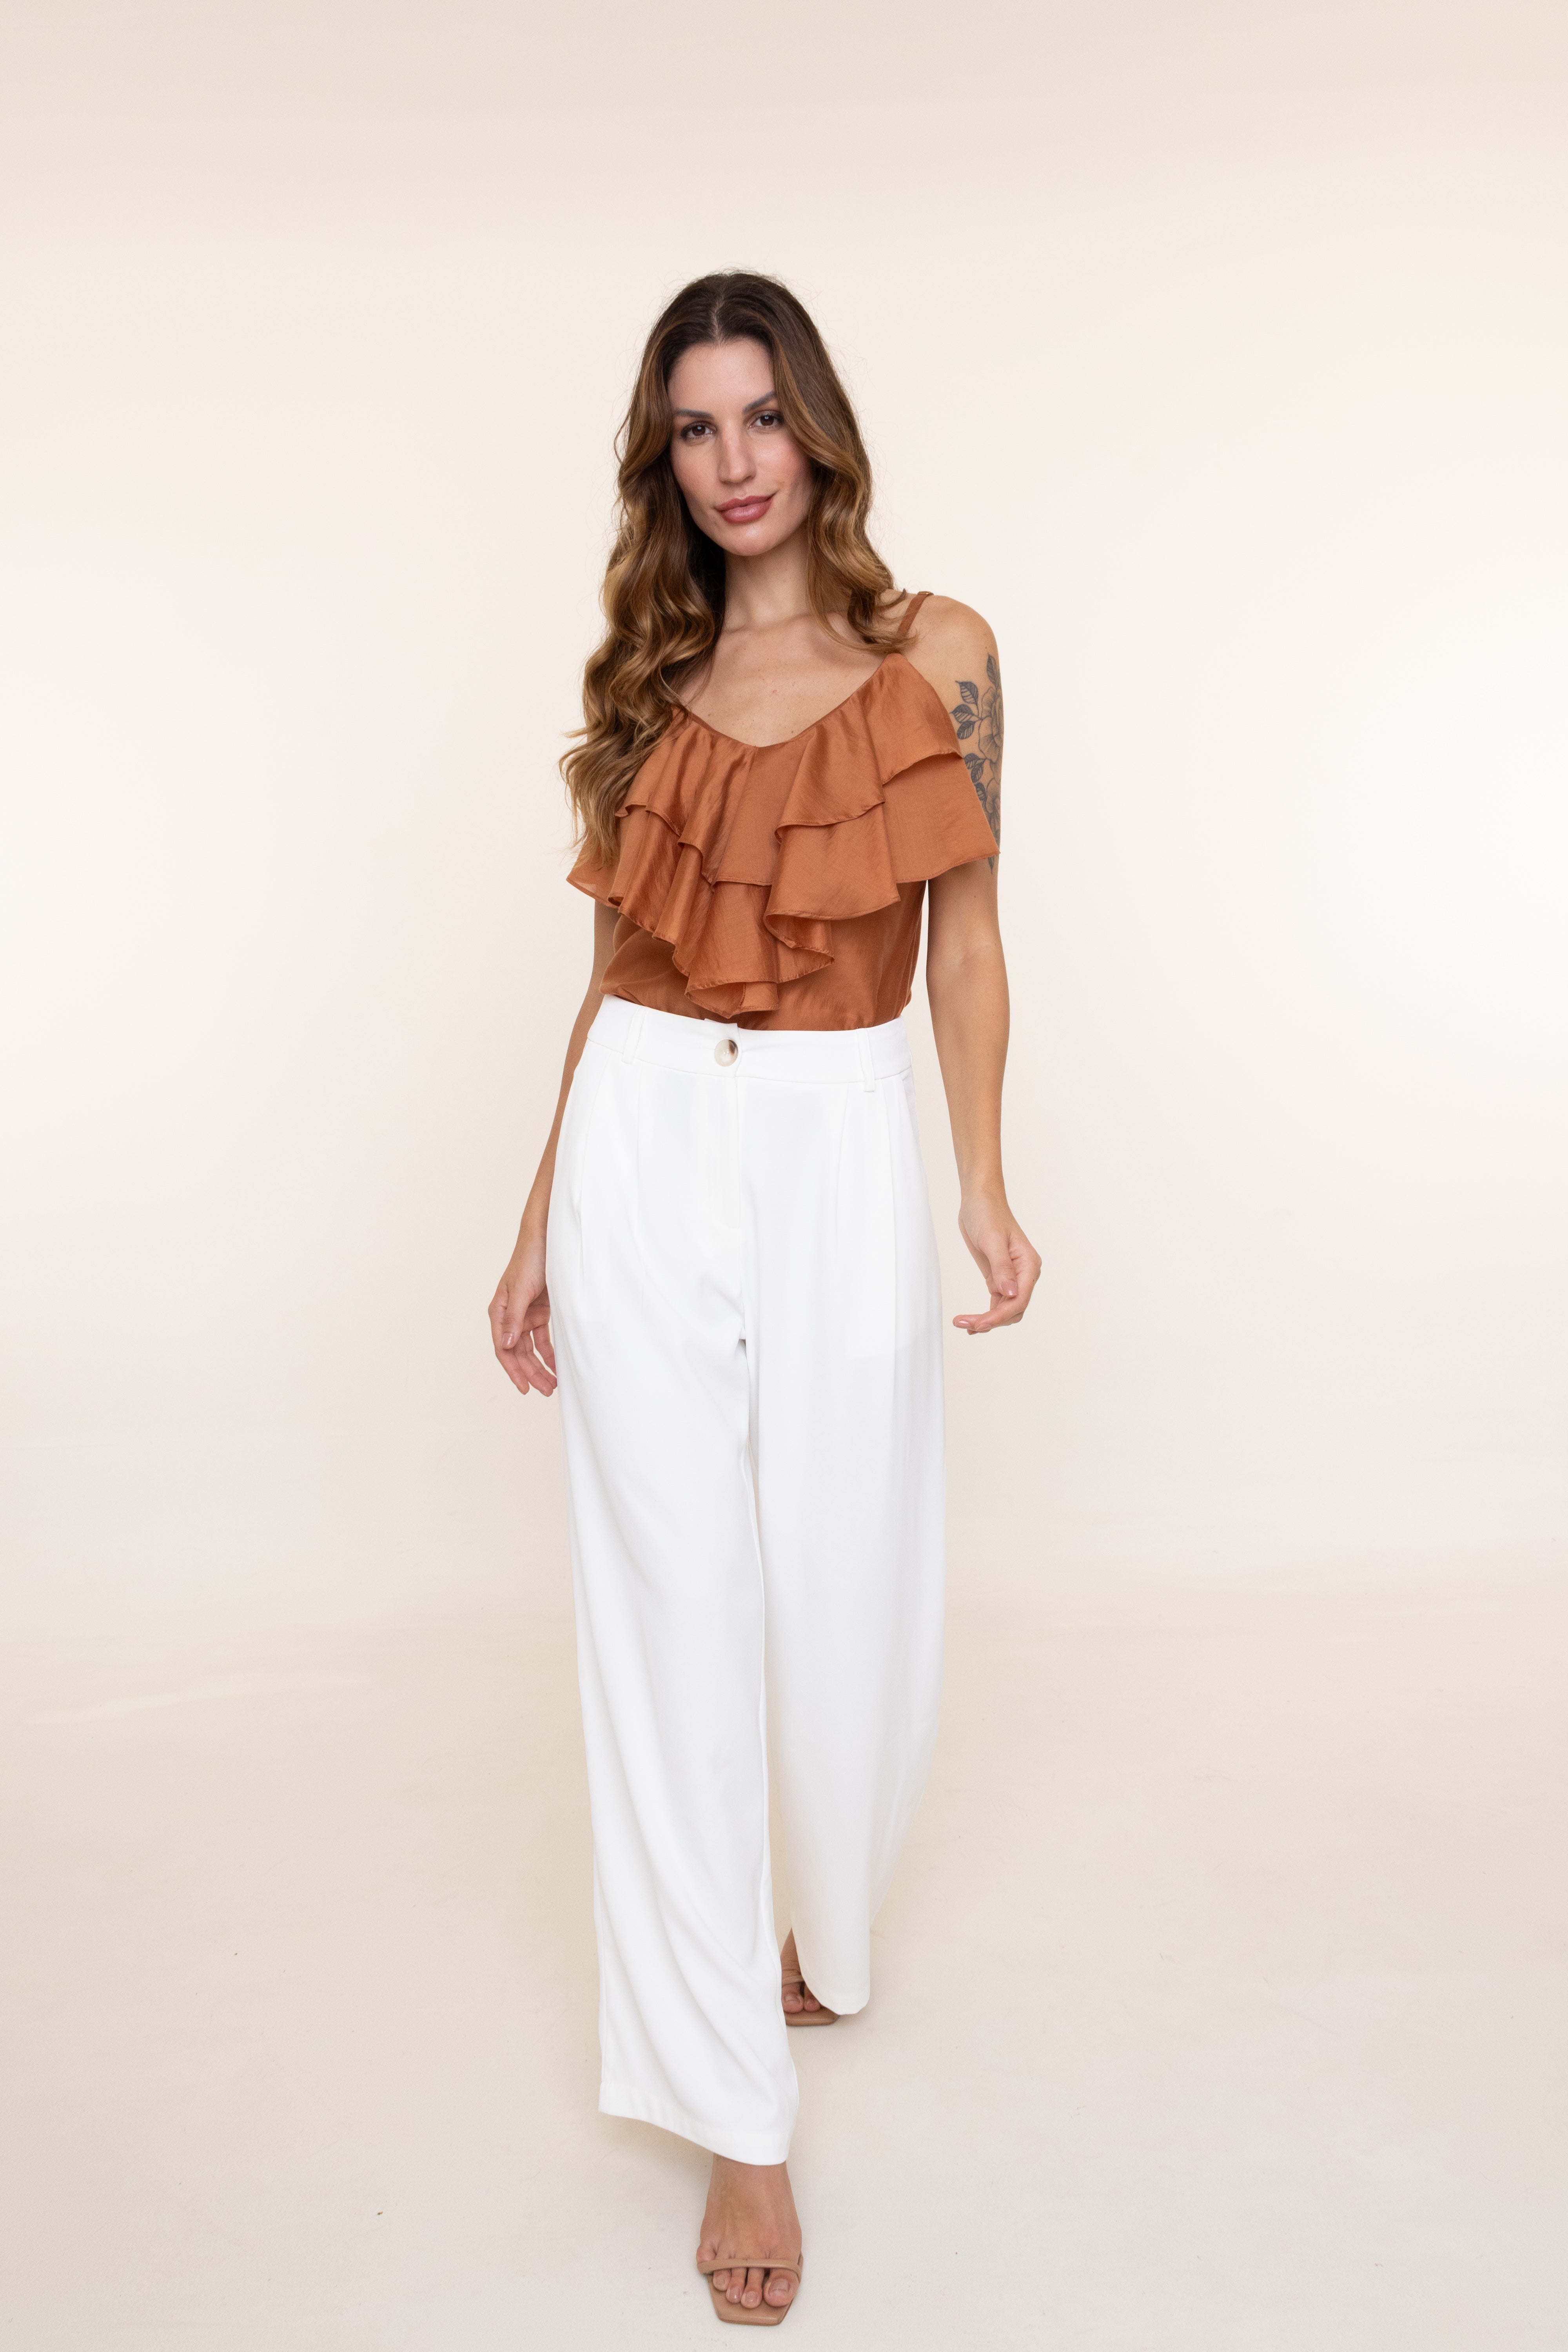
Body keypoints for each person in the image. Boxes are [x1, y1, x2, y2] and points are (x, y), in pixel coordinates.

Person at [488, 271, 1039, 2326]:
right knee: (671, 1616)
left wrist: (981, 1177)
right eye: (694, 429)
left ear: (817, 425)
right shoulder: (651, 691)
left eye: (761, 417)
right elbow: (613, 980)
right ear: (668, 460)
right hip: (643, 1143)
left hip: (838, 1145)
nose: (734, 463)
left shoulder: (943, 655)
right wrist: (536, 1221)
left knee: (848, 1587)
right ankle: (737, 2115)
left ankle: (827, 1933)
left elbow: (967, 940)